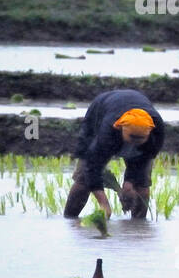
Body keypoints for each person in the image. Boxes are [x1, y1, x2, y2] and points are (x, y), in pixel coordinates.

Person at [63, 89, 165, 220]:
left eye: (139, 139)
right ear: (120, 128)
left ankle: (138, 226)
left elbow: (147, 156)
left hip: (131, 111)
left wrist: (130, 182)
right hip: (100, 110)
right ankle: (69, 219)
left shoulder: (157, 130)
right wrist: (103, 203)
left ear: (150, 131)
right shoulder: (107, 131)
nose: (134, 144)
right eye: (132, 138)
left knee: (142, 182)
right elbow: (92, 165)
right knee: (83, 176)